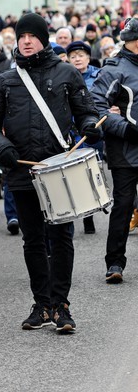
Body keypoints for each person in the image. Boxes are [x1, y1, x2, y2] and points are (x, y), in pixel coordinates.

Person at [0, 13, 101, 333]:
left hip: (59, 169)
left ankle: (61, 304)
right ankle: (41, 303)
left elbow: (86, 111)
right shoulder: (6, 79)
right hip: (22, 170)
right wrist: (0, 147)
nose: (27, 41)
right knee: (33, 240)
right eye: (22, 36)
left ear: (43, 39)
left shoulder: (66, 73)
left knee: (60, 238)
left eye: (32, 35)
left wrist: (89, 126)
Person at [90, 18, 138, 284]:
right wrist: (127, 129)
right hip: (125, 149)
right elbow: (97, 106)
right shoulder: (114, 68)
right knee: (123, 206)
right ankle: (115, 263)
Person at [66, 40, 101, 235]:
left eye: (81, 55)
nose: (77, 59)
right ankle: (73, 216)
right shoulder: (65, 76)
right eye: (73, 56)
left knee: (89, 175)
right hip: (71, 133)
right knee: (71, 177)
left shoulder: (98, 76)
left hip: (91, 132)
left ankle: (89, 215)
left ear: (88, 57)